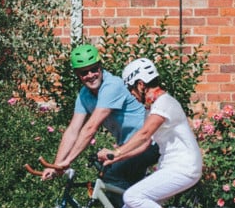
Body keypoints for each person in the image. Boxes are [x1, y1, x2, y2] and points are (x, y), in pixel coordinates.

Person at [98, 56, 204, 208]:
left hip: (184, 167)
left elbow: (144, 133)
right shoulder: (153, 107)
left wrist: (117, 150)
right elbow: (146, 142)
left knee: (131, 196)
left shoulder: (164, 104)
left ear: (140, 84)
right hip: (170, 168)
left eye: (132, 90)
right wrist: (116, 158)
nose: (133, 96)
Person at [37, 43, 157, 186]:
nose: (90, 75)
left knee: (113, 179)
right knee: (110, 182)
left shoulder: (112, 86)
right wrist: (56, 165)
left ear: (100, 67)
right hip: (128, 147)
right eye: (84, 72)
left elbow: (91, 128)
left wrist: (67, 161)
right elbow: (72, 130)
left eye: (94, 69)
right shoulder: (84, 95)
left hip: (149, 142)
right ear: (77, 75)